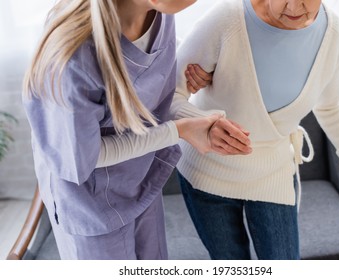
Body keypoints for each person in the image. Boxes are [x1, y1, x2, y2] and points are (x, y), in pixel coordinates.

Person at [22, 0, 251, 260]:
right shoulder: (72, 55)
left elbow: (155, 103)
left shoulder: (161, 16)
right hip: (90, 206)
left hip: (138, 182)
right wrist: (181, 131)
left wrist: (201, 120)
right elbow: (84, 157)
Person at [170, 0, 339, 260]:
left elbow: (330, 107)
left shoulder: (332, 33)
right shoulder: (227, 19)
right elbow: (171, 95)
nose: (295, 8)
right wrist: (203, 126)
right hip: (206, 172)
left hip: (273, 174)